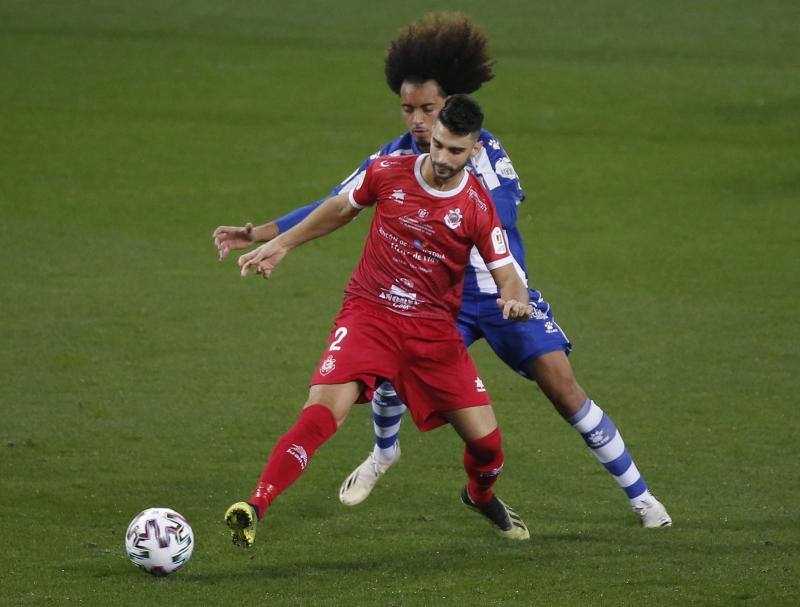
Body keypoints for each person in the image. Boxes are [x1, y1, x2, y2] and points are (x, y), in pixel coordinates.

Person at [213, 13, 671, 528]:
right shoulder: (393, 158)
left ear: (451, 107)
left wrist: (510, 290)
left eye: (427, 108)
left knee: (562, 386)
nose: (416, 120)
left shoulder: (482, 158)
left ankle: (640, 496)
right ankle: (383, 455)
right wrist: (263, 235)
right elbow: (337, 204)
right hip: (434, 303)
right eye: (408, 109)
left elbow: (495, 230)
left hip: (498, 296)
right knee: (388, 374)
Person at [222, 95, 533, 547]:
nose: (443, 159)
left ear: (475, 151)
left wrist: (515, 300)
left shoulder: (477, 207)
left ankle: (479, 495)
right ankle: (254, 505)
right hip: (371, 315)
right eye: (439, 145)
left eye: (456, 151)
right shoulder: (389, 172)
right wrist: (283, 243)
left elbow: (508, 275)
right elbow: (339, 208)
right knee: (322, 412)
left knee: (488, 450)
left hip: (432, 333)